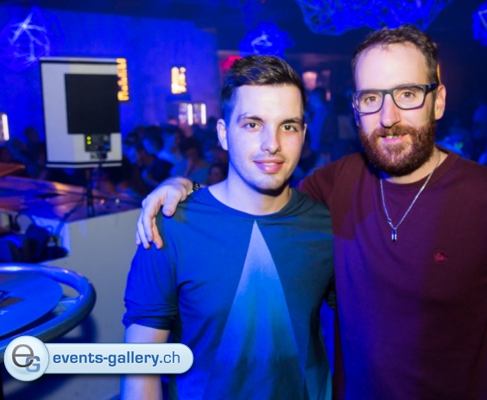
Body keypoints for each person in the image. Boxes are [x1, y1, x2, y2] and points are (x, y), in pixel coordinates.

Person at [136, 25, 487, 399]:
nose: (388, 116)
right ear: (356, 109)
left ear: (438, 100)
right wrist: (183, 188)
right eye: (371, 97)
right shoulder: (331, 187)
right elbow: (258, 198)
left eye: (407, 93)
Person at [122, 55, 334, 400]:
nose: (272, 143)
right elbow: (140, 372)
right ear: (223, 134)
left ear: (304, 134)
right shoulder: (171, 225)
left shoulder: (325, 226)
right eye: (252, 124)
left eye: (288, 126)